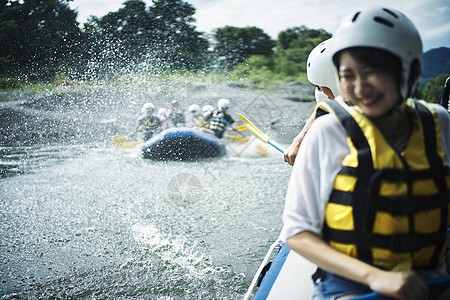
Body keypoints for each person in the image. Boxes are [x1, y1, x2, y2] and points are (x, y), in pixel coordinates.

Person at [280, 6, 450, 299]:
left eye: (372, 72)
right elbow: (296, 232)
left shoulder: (438, 122)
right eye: (348, 75)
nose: (360, 88)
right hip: (353, 284)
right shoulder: (327, 132)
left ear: (409, 69)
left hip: (433, 278)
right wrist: (377, 278)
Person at [283, 38, 339, 165]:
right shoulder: (331, 96)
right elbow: (323, 107)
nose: (320, 92)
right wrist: (300, 139)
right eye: (317, 86)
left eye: (321, 86)